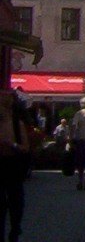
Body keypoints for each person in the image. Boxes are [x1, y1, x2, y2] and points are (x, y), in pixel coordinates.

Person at [0, 89, 31, 241]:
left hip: (13, 164)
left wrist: (12, 144)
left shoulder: (16, 124)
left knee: (15, 199)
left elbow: (25, 147)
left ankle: (15, 228)